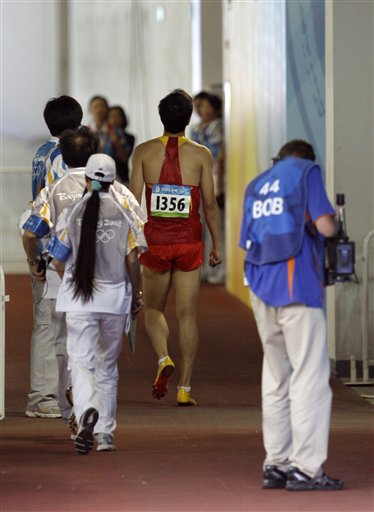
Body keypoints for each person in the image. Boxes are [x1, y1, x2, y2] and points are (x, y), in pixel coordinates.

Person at [22, 127, 146, 438]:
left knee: (65, 348)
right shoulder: (119, 192)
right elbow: (137, 240)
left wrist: (35, 264)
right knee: (101, 354)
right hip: (110, 286)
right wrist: (136, 289)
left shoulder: (53, 190)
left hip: (63, 283)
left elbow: (29, 232)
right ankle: (97, 416)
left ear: (62, 156)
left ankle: (73, 410)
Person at [239, 140, 344, 491]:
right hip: (296, 285)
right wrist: (334, 223)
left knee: (276, 376)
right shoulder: (306, 172)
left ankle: (277, 464)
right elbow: (327, 226)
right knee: (310, 377)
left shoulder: (257, 182)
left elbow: (248, 240)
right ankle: (306, 468)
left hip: (259, 287)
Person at [48, 153, 146, 455]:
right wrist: (137, 294)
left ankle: (86, 409)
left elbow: (57, 258)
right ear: (112, 180)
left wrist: (73, 280)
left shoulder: (72, 212)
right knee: (107, 366)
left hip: (79, 299)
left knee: (80, 362)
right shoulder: (125, 210)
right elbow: (133, 259)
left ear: (88, 180)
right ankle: (105, 434)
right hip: (114, 299)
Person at [130, 89, 222, 406]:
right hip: (189, 243)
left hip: (155, 241)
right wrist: (217, 245)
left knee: (153, 309)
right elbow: (209, 204)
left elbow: (132, 203)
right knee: (187, 316)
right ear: (188, 118)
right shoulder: (201, 155)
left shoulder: (142, 152)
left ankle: (163, 358)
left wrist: (132, 243)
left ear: (161, 117)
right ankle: (184, 388)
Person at [25, 95, 83, 419]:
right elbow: (66, 206)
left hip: (40, 245)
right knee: (52, 325)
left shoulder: (41, 151)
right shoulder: (63, 156)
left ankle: (51, 393)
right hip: (54, 251)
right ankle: (43, 397)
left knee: (48, 323)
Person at [190, 93, 225, 284]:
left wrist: (218, 183)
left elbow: (218, 157)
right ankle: (201, 267)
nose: (201, 109)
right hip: (197, 178)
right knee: (200, 224)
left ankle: (216, 268)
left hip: (212, 176)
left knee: (214, 224)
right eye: (197, 106)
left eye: (204, 105)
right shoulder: (196, 128)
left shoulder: (217, 126)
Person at [107, 105, 135, 185]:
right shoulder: (103, 136)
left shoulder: (129, 137)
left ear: (123, 118)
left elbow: (124, 158)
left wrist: (117, 143)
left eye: (117, 116)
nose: (114, 119)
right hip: (104, 178)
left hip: (122, 179)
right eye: (111, 116)